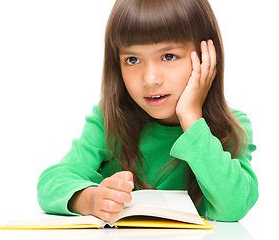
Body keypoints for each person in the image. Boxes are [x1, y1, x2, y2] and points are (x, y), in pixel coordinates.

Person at [37, 0, 258, 222]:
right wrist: (92, 199)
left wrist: (191, 118)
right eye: (132, 60)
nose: (150, 79)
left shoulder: (230, 126)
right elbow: (52, 182)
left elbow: (234, 206)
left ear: (206, 56)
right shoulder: (110, 118)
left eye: (168, 56)